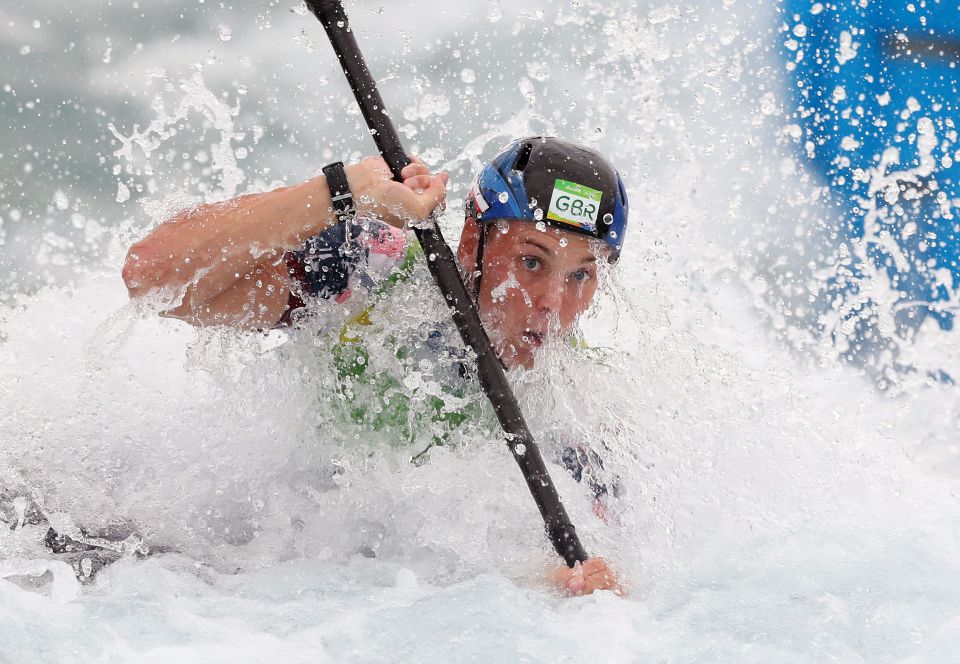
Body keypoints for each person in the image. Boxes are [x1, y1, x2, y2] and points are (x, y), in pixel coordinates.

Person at [122, 136, 628, 596]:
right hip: (245, 565)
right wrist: (339, 192)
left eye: (581, 275)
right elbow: (152, 278)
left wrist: (562, 582)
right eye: (532, 262)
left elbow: (570, 561)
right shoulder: (372, 268)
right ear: (472, 240)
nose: (552, 305)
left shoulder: (575, 404)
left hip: (378, 612)